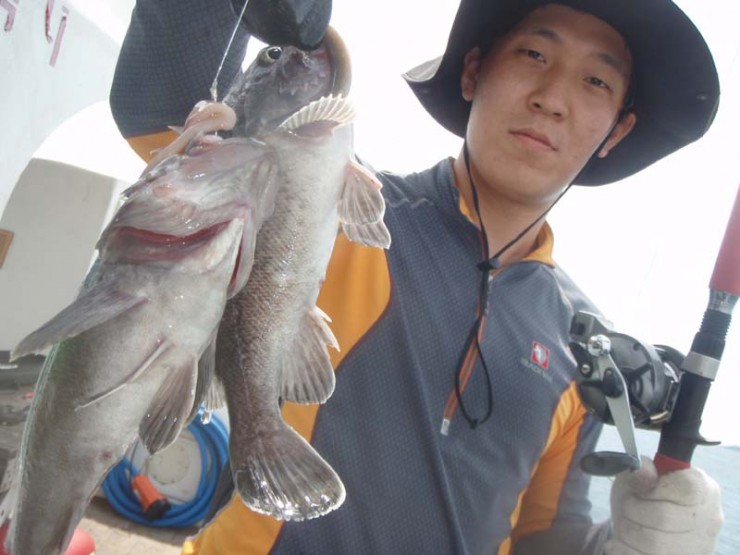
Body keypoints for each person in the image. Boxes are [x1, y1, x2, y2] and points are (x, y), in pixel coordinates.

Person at [109, 0, 724, 553]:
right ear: (473, 72)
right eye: (534, 54)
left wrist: (628, 543)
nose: (552, 97)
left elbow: (543, 538)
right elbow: (158, 107)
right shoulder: (330, 208)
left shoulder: (583, 347)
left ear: (617, 130)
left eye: (596, 80)